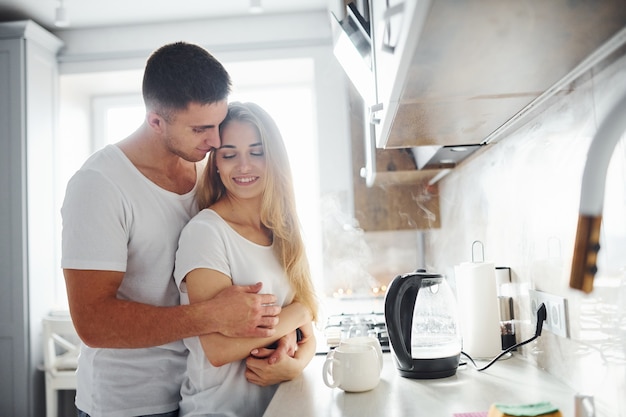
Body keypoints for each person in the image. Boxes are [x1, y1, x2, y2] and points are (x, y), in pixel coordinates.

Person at [61, 42, 286, 417]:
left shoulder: (205, 171)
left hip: (196, 394)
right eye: (201, 129)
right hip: (128, 405)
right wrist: (213, 315)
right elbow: (92, 322)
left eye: (218, 123)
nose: (215, 141)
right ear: (156, 122)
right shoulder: (98, 185)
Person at [173, 101, 319, 417]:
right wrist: (298, 312)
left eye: (256, 152)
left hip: (277, 408)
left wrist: (294, 368)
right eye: (229, 155)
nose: (243, 166)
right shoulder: (206, 233)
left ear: (274, 158)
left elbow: (309, 338)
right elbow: (218, 349)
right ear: (215, 164)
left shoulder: (282, 229)